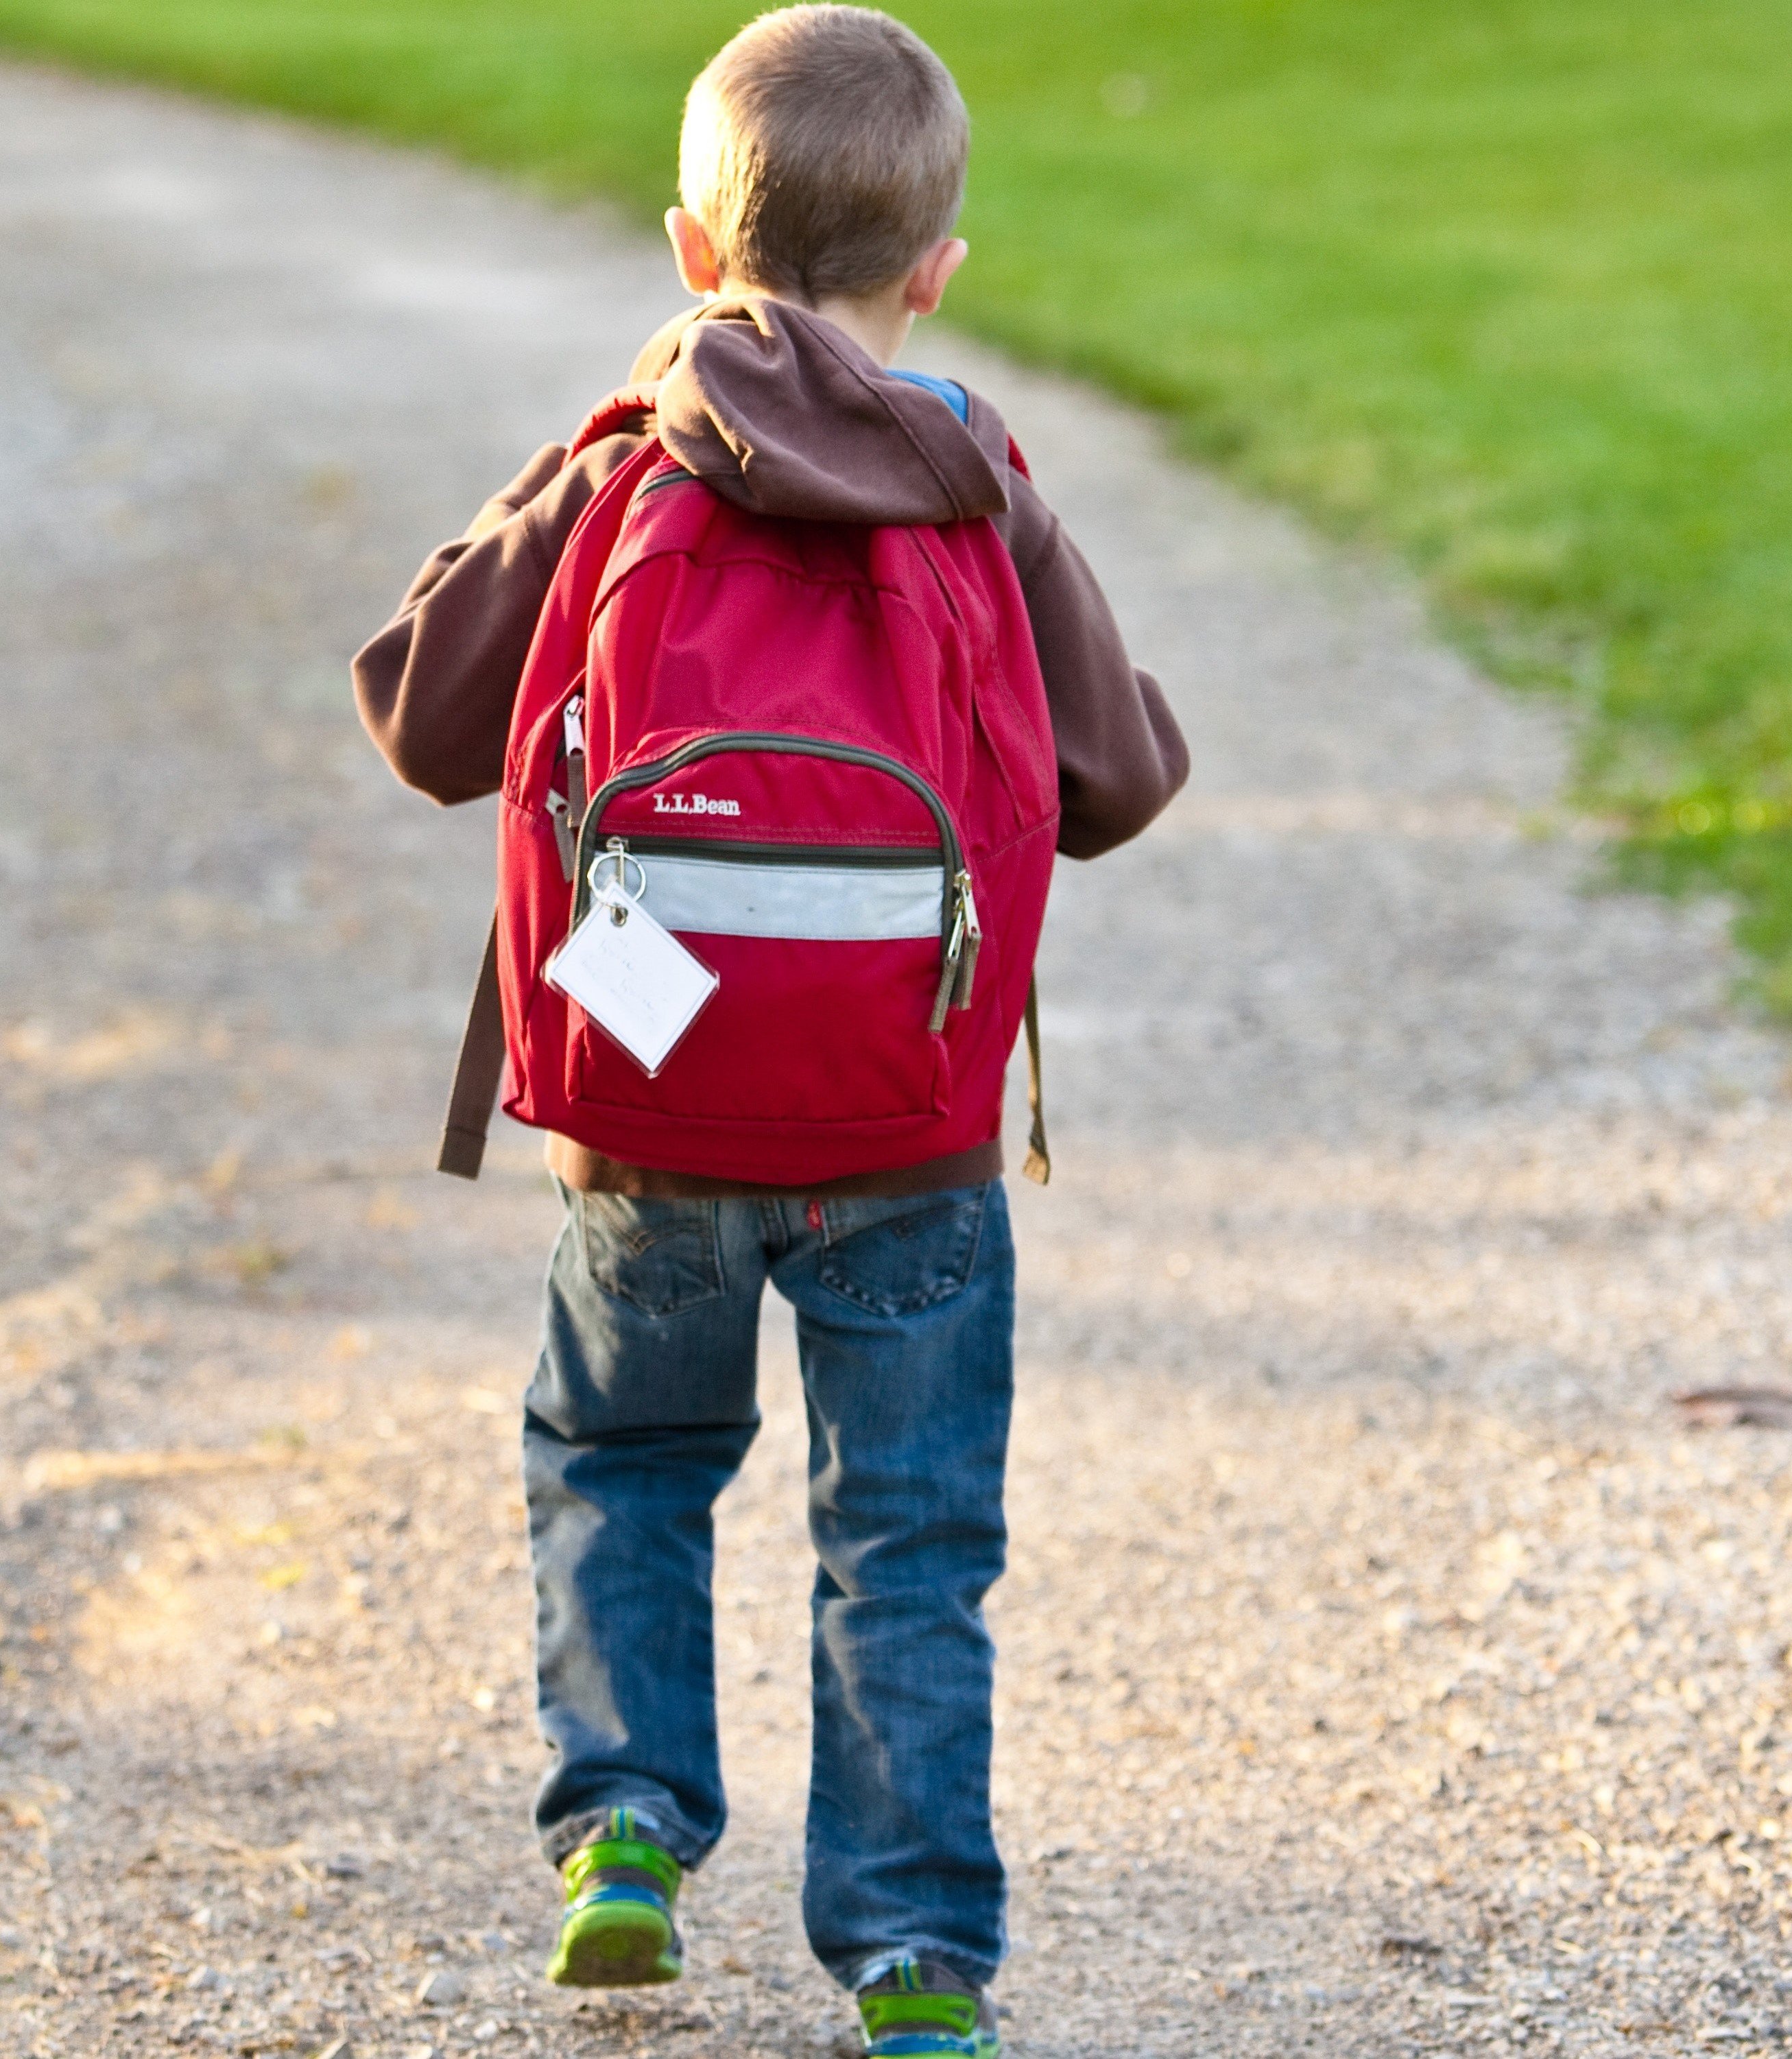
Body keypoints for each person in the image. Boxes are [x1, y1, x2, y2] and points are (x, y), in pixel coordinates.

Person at [351, 9, 1187, 2054]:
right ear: (936, 269)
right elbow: (1121, 775)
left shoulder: (631, 460)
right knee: (903, 1541)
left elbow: (418, 709)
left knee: (621, 1461)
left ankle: (625, 1823)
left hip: (648, 1121)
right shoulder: (973, 471)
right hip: (908, 1133)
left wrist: (591, 440)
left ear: (684, 249)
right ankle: (911, 1959)